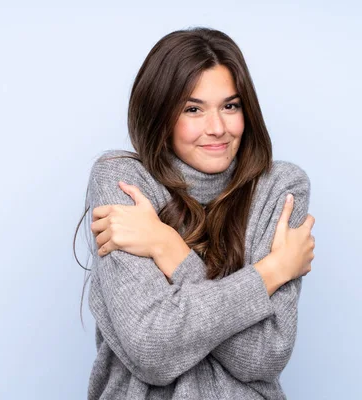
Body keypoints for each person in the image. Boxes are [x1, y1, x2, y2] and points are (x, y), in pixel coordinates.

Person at [76, 27, 316, 399]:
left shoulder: (280, 190)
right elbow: (151, 348)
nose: (217, 128)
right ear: (160, 113)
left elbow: (264, 356)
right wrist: (271, 272)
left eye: (230, 106)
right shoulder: (123, 181)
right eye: (193, 109)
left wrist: (170, 251)